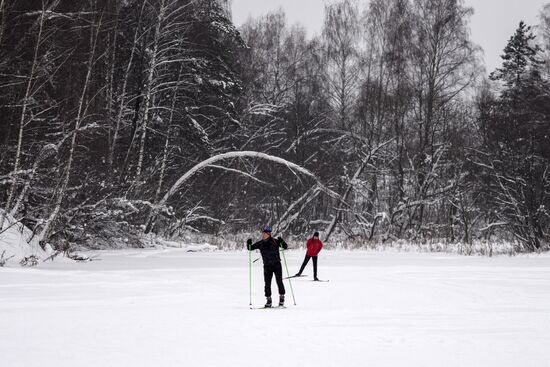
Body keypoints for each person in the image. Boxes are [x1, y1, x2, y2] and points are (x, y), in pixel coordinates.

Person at [247, 226, 288, 307]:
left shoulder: (275, 241)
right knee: (267, 283)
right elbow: (250, 248)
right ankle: (268, 300)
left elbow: (285, 246)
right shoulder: (260, 243)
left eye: (264, 233)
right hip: (267, 266)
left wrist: (282, 241)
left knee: (279, 281)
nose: (263, 234)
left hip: (277, 265)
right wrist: (248, 243)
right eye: (262, 233)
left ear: (268, 234)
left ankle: (282, 298)